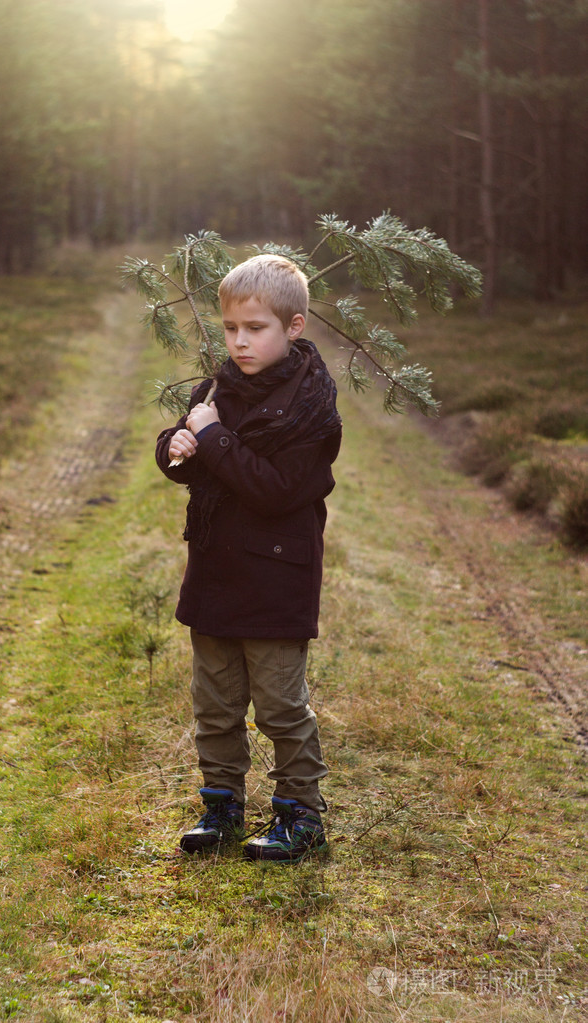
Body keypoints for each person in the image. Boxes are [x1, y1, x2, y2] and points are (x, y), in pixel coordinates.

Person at [155, 253, 342, 862]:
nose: (239, 341)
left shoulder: (312, 409)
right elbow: (189, 455)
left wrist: (210, 438)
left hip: (276, 576)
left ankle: (300, 816)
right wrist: (177, 445)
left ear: (293, 328)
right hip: (215, 570)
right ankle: (221, 805)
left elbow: (275, 490)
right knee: (215, 701)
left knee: (281, 705)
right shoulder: (218, 388)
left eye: (255, 328)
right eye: (231, 327)